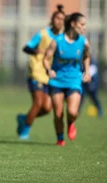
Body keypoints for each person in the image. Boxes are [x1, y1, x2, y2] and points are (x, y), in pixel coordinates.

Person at [16, 5, 65, 140]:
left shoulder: (63, 38)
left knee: (47, 109)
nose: (59, 21)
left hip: (51, 75)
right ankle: (24, 132)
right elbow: (26, 48)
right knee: (37, 103)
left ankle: (24, 118)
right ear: (52, 19)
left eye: (62, 19)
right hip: (37, 72)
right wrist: (36, 51)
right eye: (57, 18)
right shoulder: (43, 34)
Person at [43, 12, 91, 146]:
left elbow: (86, 56)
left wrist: (87, 72)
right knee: (58, 114)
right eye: (82, 24)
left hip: (74, 80)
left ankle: (71, 122)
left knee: (72, 111)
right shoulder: (57, 41)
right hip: (57, 81)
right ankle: (60, 139)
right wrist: (49, 70)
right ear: (73, 24)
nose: (84, 27)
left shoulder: (83, 42)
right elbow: (46, 58)